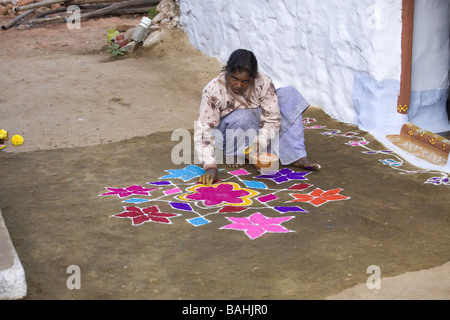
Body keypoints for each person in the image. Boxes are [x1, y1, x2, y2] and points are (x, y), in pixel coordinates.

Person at [194, 49, 320, 185]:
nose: (238, 85)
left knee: (290, 94)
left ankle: (296, 155)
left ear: (253, 78)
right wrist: (210, 167)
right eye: (234, 78)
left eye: (245, 81)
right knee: (243, 116)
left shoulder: (263, 82)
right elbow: (204, 131)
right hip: (230, 131)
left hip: (256, 126)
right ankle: (240, 152)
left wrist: (258, 145)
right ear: (227, 72)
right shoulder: (213, 91)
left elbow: (272, 118)